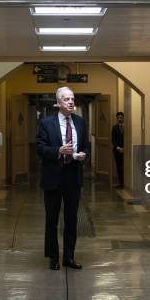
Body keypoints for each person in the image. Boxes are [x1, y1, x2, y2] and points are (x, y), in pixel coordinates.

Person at [36, 87, 90, 271]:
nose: (70, 102)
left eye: (72, 99)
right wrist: (57, 151)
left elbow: (85, 146)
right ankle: (53, 257)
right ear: (58, 103)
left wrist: (84, 155)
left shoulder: (80, 122)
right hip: (53, 176)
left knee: (71, 219)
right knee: (52, 219)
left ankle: (69, 256)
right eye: (66, 99)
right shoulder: (47, 123)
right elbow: (40, 147)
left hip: (73, 175)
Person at [111, 111, 125, 187]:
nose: (120, 119)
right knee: (119, 166)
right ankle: (120, 182)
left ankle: (126, 182)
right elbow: (113, 140)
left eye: (121, 117)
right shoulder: (114, 128)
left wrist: (125, 148)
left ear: (123, 118)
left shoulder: (127, 127)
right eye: (118, 117)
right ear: (117, 119)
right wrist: (118, 148)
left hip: (126, 150)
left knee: (125, 166)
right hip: (117, 150)